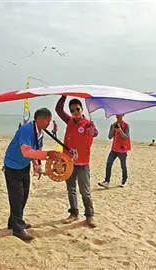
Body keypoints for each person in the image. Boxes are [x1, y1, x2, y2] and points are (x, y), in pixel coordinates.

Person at [3, 108, 57, 241]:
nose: (49, 124)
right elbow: (26, 151)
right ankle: (18, 229)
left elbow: (36, 150)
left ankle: (14, 221)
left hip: (24, 166)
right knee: (17, 196)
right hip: (12, 165)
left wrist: (37, 165)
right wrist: (47, 155)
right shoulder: (26, 129)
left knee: (23, 196)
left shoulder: (40, 133)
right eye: (48, 121)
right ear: (39, 119)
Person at [55, 96, 98, 228]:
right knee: (71, 189)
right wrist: (64, 95)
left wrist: (93, 131)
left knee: (85, 191)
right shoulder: (69, 121)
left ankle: (89, 215)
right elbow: (58, 110)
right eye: (72, 110)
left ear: (81, 109)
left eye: (77, 109)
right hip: (68, 162)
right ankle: (73, 213)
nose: (74, 112)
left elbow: (94, 133)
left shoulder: (87, 123)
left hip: (83, 163)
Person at [98, 114, 131, 188]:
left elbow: (126, 137)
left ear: (123, 115)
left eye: (119, 114)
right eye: (116, 114)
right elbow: (109, 137)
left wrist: (120, 131)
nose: (118, 115)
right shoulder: (113, 125)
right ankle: (107, 181)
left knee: (123, 166)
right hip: (114, 149)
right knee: (109, 163)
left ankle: (124, 181)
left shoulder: (126, 125)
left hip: (122, 150)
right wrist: (113, 129)